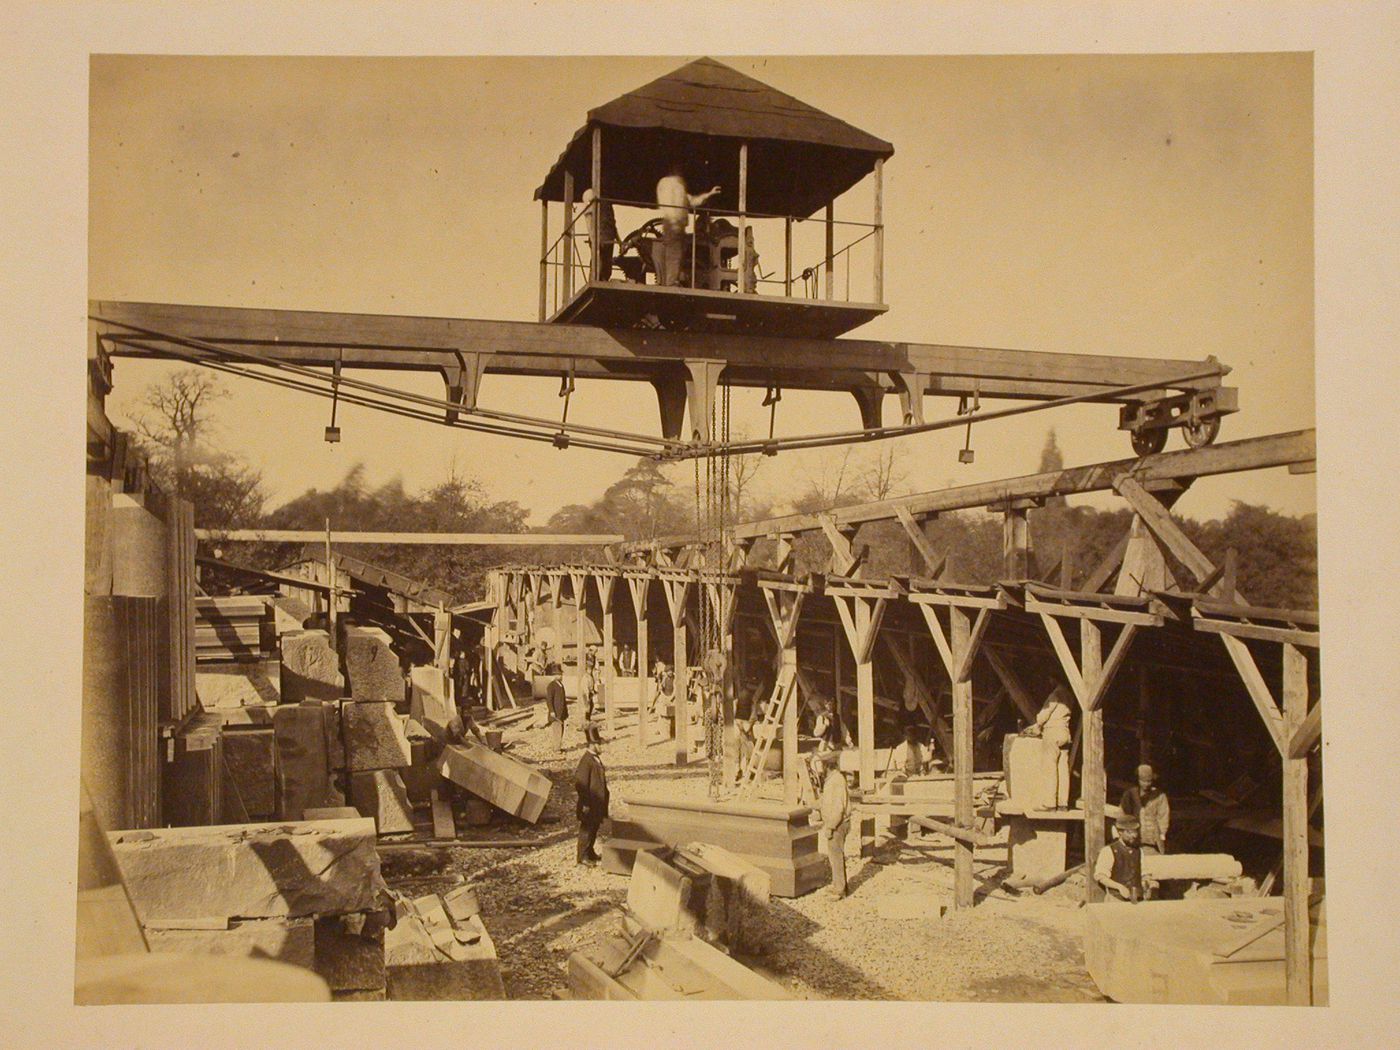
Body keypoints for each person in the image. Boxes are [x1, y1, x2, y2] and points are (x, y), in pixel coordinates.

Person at [655, 162, 721, 287]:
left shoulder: (679, 185)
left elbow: (691, 201)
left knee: (678, 253)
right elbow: (667, 202)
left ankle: (675, 280)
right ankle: (671, 282)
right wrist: (674, 220)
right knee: (674, 253)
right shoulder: (667, 183)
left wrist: (709, 194)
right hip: (673, 223)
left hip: (679, 225)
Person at [1023, 684, 1074, 808]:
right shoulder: (1070, 696)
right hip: (1065, 732)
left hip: (1053, 732)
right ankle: (1063, 803)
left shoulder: (1055, 695)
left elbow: (1043, 715)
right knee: (1063, 769)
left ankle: (1050, 803)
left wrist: (1038, 723)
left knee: (1049, 768)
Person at [818, 754, 852, 899]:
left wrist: (831, 827)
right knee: (834, 855)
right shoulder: (833, 779)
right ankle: (839, 884)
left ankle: (840, 890)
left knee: (836, 856)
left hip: (838, 824)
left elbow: (838, 807)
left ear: (827, 766)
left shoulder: (836, 780)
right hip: (835, 822)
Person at [574, 735, 609, 866]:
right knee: (586, 829)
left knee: (594, 827)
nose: (602, 747)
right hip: (589, 803)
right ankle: (582, 856)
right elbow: (580, 783)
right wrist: (585, 803)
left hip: (597, 802)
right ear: (593, 744)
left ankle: (590, 852)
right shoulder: (586, 761)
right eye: (600, 744)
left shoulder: (594, 758)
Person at [1120, 763, 1170, 855]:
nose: (1146, 784)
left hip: (1152, 841)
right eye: (1143, 781)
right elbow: (1123, 815)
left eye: (1149, 781)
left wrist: (1162, 833)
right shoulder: (1129, 794)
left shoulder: (1160, 796)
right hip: (1134, 839)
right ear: (1138, 780)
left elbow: (1163, 816)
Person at [1095, 815, 1146, 902]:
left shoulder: (1139, 851)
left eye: (1135, 832)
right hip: (1116, 899)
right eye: (1129, 832)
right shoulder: (1109, 851)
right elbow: (1101, 876)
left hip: (1137, 899)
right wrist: (1119, 887)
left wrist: (1146, 883)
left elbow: (1145, 873)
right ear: (1120, 832)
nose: (1134, 835)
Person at [580, 188, 618, 281]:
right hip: (599, 236)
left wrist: (619, 241)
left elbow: (612, 223)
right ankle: (594, 280)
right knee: (598, 262)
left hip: (609, 237)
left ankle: (604, 280)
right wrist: (593, 238)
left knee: (607, 265)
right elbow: (589, 219)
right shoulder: (590, 195)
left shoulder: (607, 202)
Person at [545, 663, 568, 753]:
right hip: (555, 713)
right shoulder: (551, 685)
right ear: (554, 675)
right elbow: (549, 700)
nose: (560, 676)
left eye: (560, 674)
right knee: (557, 731)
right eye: (558, 674)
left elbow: (563, 700)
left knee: (561, 730)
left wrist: (565, 712)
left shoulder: (560, 685)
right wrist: (551, 710)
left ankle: (558, 746)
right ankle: (556, 748)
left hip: (561, 712)